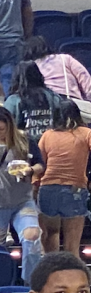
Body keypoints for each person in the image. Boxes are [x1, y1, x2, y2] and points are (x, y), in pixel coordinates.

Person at [0, 104, 44, 283]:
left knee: (32, 236)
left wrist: (30, 170)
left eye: (2, 128)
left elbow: (41, 164)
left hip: (22, 201)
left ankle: (30, 282)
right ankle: (0, 284)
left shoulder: (25, 140)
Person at [37, 101, 91, 257]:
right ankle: (72, 275)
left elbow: (40, 164)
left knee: (51, 234)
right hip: (74, 188)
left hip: (47, 188)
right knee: (72, 245)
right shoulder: (85, 132)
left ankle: (51, 270)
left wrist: (35, 187)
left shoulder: (47, 135)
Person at [6, 62, 61, 148]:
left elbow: (5, 124)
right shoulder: (54, 97)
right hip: (52, 145)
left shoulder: (13, 100)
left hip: (23, 147)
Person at [26, 35, 91, 103]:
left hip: (46, 104)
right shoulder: (65, 58)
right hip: (72, 103)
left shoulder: (31, 66)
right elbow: (84, 78)